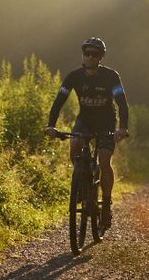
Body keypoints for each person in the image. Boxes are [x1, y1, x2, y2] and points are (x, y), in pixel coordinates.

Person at [45, 36, 129, 229]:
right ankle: (82, 183)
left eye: (95, 54)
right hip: (84, 121)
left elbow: (122, 103)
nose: (90, 57)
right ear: (82, 55)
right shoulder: (74, 76)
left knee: (104, 160)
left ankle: (106, 205)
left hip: (106, 122)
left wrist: (122, 128)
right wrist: (51, 125)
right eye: (87, 53)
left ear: (101, 58)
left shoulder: (111, 76)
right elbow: (59, 101)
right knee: (74, 145)